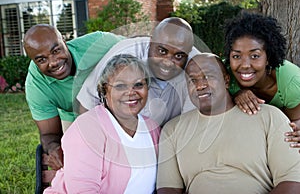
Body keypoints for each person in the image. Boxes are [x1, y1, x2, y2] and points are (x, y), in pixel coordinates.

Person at [156, 53, 300, 194]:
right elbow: (168, 188)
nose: (199, 86)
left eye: (208, 77)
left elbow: (292, 181)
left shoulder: (270, 116)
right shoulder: (172, 130)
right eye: (192, 80)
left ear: (226, 80)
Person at [43, 54, 160, 193]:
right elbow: (83, 191)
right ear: (105, 90)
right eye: (120, 86)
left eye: (139, 84)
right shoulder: (87, 129)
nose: (131, 92)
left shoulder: (152, 128)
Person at [24, 24, 123, 170]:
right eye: (41, 60)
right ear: (34, 61)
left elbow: (139, 48)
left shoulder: (99, 43)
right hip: (71, 112)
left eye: (56, 51)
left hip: (111, 108)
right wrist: (53, 148)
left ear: (64, 41)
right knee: (76, 159)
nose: (53, 62)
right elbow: (49, 134)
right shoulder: (36, 85)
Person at [77, 17, 202, 126]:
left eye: (179, 56)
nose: (168, 62)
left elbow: (191, 122)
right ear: (151, 40)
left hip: (167, 134)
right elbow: (87, 102)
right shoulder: (123, 55)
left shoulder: (197, 66)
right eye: (162, 51)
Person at [223, 12, 300, 149]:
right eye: (236, 56)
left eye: (254, 56)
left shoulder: (291, 82)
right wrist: (237, 94)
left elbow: (292, 124)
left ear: (268, 57)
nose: (245, 65)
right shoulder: (224, 74)